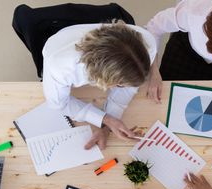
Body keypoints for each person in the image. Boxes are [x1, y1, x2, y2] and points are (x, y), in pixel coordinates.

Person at [41, 21, 157, 150]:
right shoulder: (61, 68)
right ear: (104, 80)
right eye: (120, 84)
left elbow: (128, 88)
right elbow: (59, 104)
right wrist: (105, 119)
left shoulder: (147, 43)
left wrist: (108, 127)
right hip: (58, 44)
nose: (125, 87)